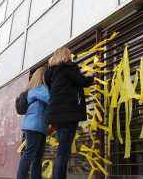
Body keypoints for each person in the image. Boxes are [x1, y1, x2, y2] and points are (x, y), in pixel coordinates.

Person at [44, 47, 94, 179]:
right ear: (67, 56)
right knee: (64, 150)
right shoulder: (68, 67)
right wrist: (90, 76)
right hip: (68, 114)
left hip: (56, 115)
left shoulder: (52, 74)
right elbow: (82, 82)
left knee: (63, 148)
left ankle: (60, 176)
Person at [17, 67, 50, 179]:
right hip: (34, 126)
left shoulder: (37, 89)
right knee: (29, 154)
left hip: (39, 127)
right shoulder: (39, 89)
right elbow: (51, 99)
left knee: (38, 156)